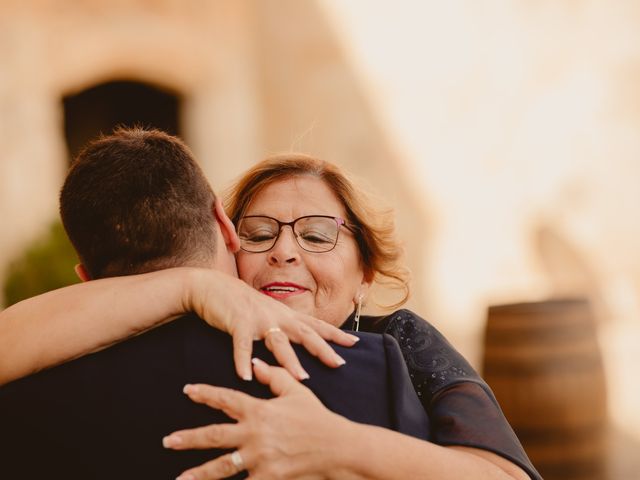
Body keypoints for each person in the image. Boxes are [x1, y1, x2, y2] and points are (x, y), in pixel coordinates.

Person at [0, 136, 541, 479]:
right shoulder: (172, 330)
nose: (284, 250)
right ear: (229, 244)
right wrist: (189, 284)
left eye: (317, 235)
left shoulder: (400, 344)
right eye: (258, 233)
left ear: (365, 274)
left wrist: (340, 443)